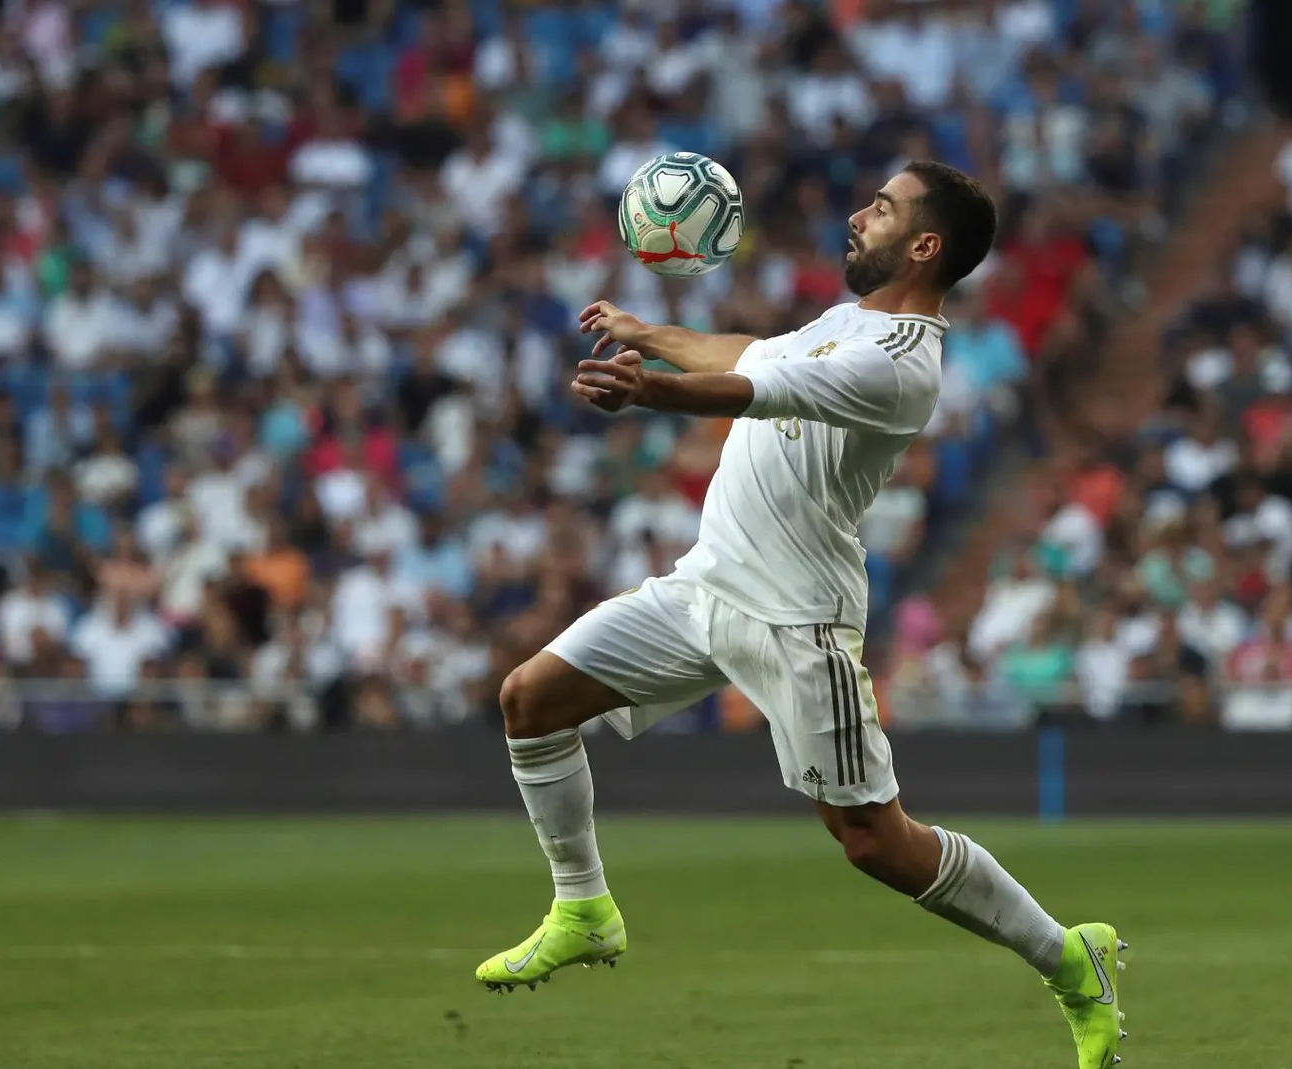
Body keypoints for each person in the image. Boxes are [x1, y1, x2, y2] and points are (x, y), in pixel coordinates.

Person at [477, 162, 1127, 1067]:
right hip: (706, 586)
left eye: (884, 209)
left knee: (874, 842)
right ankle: (583, 906)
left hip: (800, 621)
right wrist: (648, 334)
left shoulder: (901, 364)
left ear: (925, 246)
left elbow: (751, 392)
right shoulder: (846, 323)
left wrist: (649, 389)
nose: (861, 215)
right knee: (530, 700)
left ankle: (1068, 955)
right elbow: (750, 356)